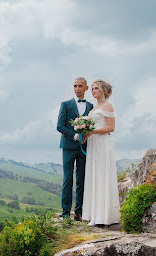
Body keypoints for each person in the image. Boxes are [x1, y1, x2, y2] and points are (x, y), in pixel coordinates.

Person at [82, 79, 120, 226]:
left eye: (96, 88)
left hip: (102, 144)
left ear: (103, 90)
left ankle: (104, 216)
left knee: (102, 175)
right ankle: (94, 214)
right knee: (94, 175)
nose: (93, 91)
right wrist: (85, 134)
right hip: (93, 144)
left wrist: (92, 131)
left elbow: (111, 128)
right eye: (92, 89)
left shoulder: (108, 106)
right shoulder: (92, 109)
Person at [57, 77, 94, 220]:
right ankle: (65, 213)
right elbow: (60, 126)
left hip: (85, 147)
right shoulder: (65, 104)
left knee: (82, 179)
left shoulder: (91, 106)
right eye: (75, 86)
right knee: (67, 179)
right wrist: (75, 136)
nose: (77, 88)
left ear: (86, 88)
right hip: (68, 147)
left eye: (80, 86)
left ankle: (79, 212)